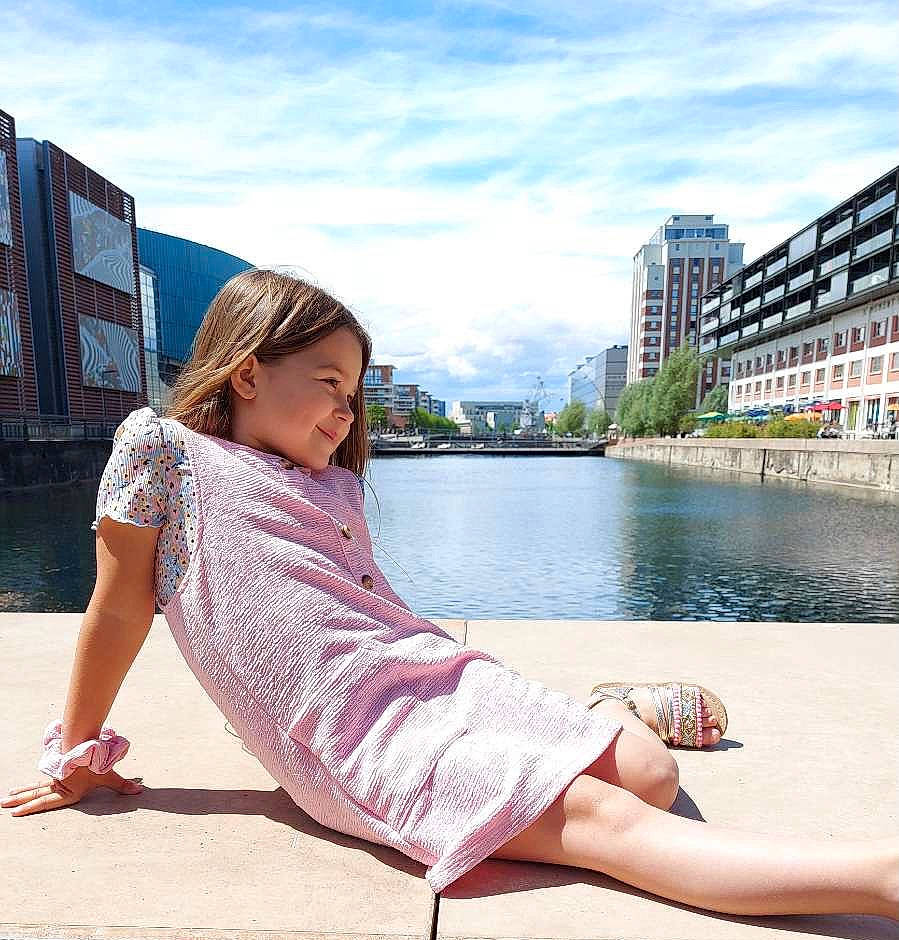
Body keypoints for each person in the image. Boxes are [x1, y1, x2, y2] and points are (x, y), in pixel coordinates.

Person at [3, 268, 897, 921]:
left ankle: (613, 710)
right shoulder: (162, 450)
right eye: (329, 386)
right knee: (607, 825)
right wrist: (76, 747)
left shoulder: (328, 485)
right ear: (245, 372)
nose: (347, 413)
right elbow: (119, 605)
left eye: (354, 395)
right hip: (364, 738)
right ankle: (878, 878)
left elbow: (349, 609)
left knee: (653, 780)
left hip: (430, 674)